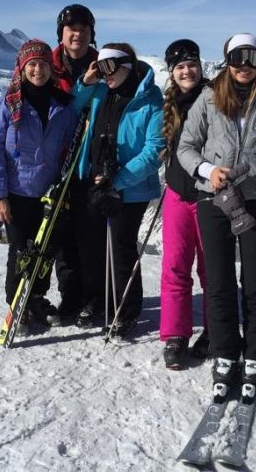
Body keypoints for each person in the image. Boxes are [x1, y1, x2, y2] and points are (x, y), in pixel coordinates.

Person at [178, 33, 256, 400]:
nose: (244, 65)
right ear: (227, 61)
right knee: (219, 280)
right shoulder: (209, 98)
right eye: (237, 58)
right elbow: (186, 146)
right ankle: (226, 350)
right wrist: (207, 170)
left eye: (252, 58)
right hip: (215, 198)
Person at [70, 43, 165, 336]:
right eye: (101, 68)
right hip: (95, 178)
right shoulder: (100, 91)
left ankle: (125, 310)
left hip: (129, 187)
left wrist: (118, 181)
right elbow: (72, 107)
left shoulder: (150, 100)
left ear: (128, 66)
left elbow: (154, 150)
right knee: (91, 245)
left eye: (110, 68)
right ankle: (97, 300)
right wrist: (85, 83)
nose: (106, 74)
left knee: (120, 246)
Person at [0, 39, 79, 328]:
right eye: (32, 64)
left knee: (45, 251)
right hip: (16, 192)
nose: (38, 70)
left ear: (51, 68)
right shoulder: (6, 105)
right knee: (21, 252)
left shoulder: (63, 107)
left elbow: (72, 147)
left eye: (44, 64)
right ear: (22, 69)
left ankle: (35, 298)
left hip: (49, 192)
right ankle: (16, 304)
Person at [159, 39, 210, 369]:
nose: (186, 71)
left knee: (212, 268)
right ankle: (175, 335)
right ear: (172, 73)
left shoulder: (218, 98)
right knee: (175, 266)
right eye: (179, 67)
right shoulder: (171, 103)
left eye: (191, 64)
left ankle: (215, 329)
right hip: (177, 193)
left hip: (210, 194)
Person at [51, 4, 100, 320]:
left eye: (84, 29)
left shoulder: (105, 64)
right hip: (55, 164)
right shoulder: (45, 65)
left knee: (91, 235)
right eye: (71, 28)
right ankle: (70, 297)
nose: (77, 34)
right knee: (63, 237)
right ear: (62, 34)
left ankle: (94, 297)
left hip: (90, 163)